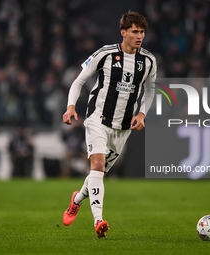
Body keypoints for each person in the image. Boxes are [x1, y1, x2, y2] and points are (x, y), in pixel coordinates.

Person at [62, 11, 157, 239]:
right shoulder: (105, 54)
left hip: (123, 128)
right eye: (135, 31)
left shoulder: (149, 61)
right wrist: (71, 106)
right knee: (97, 165)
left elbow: (151, 89)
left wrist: (142, 113)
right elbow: (79, 80)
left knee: (99, 173)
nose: (139, 36)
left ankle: (76, 200)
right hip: (98, 120)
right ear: (123, 32)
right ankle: (98, 221)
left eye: (142, 32)